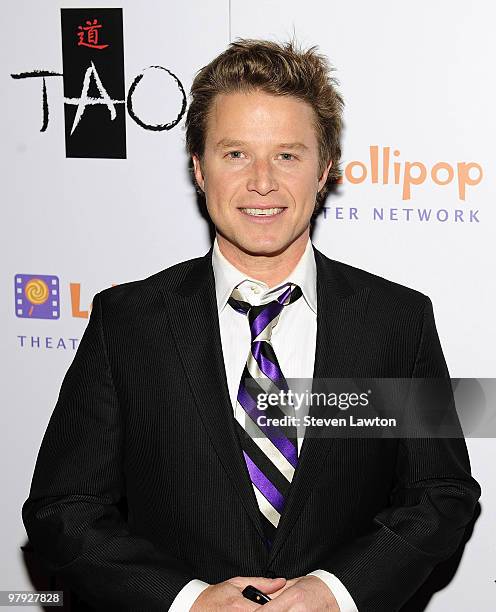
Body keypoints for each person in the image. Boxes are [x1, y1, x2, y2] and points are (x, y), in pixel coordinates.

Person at [22, 39, 481, 612]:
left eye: (288, 155)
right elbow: (62, 509)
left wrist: (338, 591)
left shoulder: (399, 320)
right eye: (235, 154)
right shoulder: (128, 322)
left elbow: (442, 494)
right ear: (198, 168)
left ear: (325, 169)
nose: (262, 182)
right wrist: (187, 601)